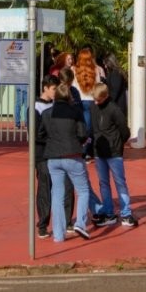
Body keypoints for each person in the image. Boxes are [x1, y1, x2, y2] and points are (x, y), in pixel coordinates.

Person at [39, 82, 93, 243]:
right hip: (72, 154)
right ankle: (80, 223)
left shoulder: (47, 113)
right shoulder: (76, 111)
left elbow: (40, 133)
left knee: (57, 194)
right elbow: (83, 133)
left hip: (53, 156)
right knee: (83, 190)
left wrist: (53, 140)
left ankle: (58, 234)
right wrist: (80, 141)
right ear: (69, 96)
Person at [90, 82, 138, 228]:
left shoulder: (114, 109)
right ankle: (109, 212)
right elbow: (93, 127)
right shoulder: (94, 107)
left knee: (119, 182)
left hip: (113, 151)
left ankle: (125, 213)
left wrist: (119, 143)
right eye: (95, 99)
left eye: (98, 99)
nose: (96, 102)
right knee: (104, 183)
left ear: (106, 96)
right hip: (99, 150)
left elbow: (124, 129)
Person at [34, 75, 74, 239]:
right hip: (43, 155)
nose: (55, 92)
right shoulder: (35, 107)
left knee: (67, 186)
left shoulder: (58, 106)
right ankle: (43, 224)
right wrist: (55, 138)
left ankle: (67, 220)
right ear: (45, 88)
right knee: (45, 188)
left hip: (60, 153)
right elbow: (36, 134)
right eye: (53, 89)